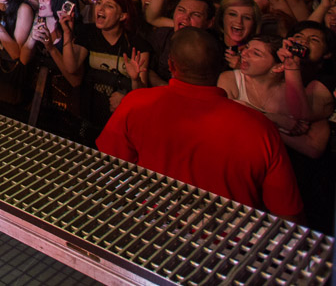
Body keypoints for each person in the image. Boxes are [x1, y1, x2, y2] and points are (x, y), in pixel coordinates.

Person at [96, 28, 303, 221]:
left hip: (150, 228)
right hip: (228, 246)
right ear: (219, 67)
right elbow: (287, 214)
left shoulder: (136, 103)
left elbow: (109, 170)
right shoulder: (260, 129)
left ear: (171, 65)